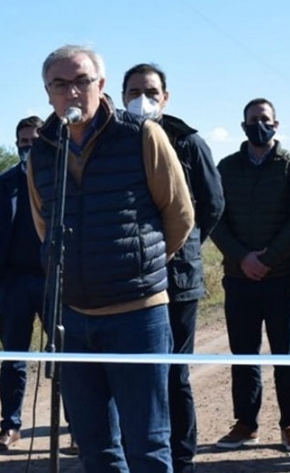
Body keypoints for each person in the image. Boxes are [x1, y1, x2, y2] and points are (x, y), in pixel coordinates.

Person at [28, 45, 194, 472]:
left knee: (148, 445)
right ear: (48, 94)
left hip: (137, 315)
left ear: (101, 86)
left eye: (82, 81)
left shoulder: (141, 135)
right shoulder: (43, 151)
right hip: (74, 318)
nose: (72, 92)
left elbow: (179, 214)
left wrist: (140, 265)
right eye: (60, 85)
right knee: (95, 448)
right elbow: (44, 224)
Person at [121, 63, 224, 473]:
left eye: (150, 90)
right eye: (133, 91)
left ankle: (181, 459)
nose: (141, 99)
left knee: (173, 375)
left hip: (177, 279)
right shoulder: (114, 139)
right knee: (131, 377)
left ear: (165, 96)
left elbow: (212, 204)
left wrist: (182, 245)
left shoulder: (188, 141)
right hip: (126, 280)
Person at [211, 98, 290, 453]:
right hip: (240, 277)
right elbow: (215, 218)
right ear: (243, 126)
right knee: (244, 355)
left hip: (282, 277)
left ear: (277, 124)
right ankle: (245, 424)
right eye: (253, 120)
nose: (259, 124)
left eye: (265, 119)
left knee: (285, 353)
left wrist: (268, 259)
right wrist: (243, 258)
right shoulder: (226, 168)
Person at [0, 115, 63, 452]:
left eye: (35, 142)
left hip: (54, 282)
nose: (29, 148)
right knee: (14, 359)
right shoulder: (0, 184)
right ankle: (10, 426)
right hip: (13, 282)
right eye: (23, 143)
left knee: (65, 357)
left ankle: (78, 425)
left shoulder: (61, 179)